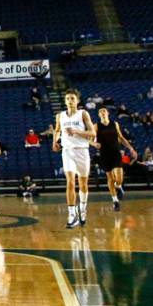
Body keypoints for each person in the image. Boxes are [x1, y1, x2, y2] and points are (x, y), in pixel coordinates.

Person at [53, 88, 96, 228]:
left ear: (77, 101)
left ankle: (82, 209)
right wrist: (55, 141)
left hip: (82, 151)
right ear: (65, 101)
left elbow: (93, 132)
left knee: (83, 184)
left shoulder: (83, 114)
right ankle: (71, 215)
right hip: (67, 151)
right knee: (70, 182)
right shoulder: (60, 116)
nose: (70, 101)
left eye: (72, 98)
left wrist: (77, 131)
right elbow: (57, 130)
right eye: (67, 99)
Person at [93, 107, 137, 212]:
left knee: (119, 178)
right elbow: (90, 140)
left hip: (116, 153)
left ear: (107, 113)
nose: (102, 112)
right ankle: (115, 201)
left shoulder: (115, 124)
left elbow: (121, 137)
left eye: (104, 110)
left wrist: (131, 148)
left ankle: (119, 186)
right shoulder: (96, 126)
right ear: (99, 115)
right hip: (104, 154)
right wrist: (94, 144)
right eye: (100, 111)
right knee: (110, 178)